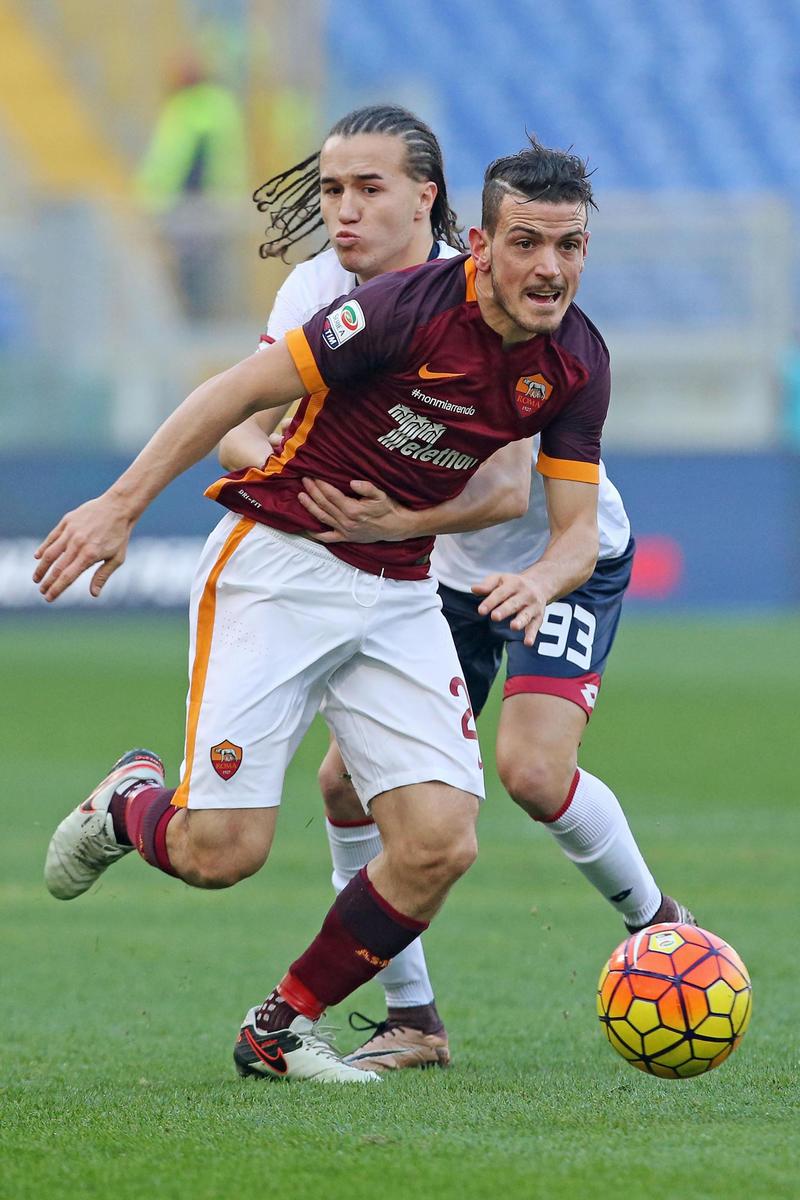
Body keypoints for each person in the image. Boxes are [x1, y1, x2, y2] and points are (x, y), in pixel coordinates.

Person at [36, 127, 608, 1084]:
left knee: (439, 843)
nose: (550, 268)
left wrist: (539, 580)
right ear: (480, 244)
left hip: (401, 590)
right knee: (221, 854)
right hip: (279, 569)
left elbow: (575, 531)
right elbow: (235, 395)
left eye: (570, 245)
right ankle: (130, 802)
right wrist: (119, 505)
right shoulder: (395, 310)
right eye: (527, 243)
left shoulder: (578, 360)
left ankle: (281, 1026)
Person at [219, 107, 693, 1073]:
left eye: (369, 189)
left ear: (427, 204)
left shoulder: (493, 294)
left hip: (549, 560)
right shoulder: (318, 289)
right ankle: (414, 1017)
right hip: (439, 566)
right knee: (345, 783)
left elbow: (510, 491)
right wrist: (287, 478)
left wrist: (393, 522)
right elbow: (244, 418)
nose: (345, 211)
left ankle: (666, 933)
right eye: (334, 191)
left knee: (532, 772)